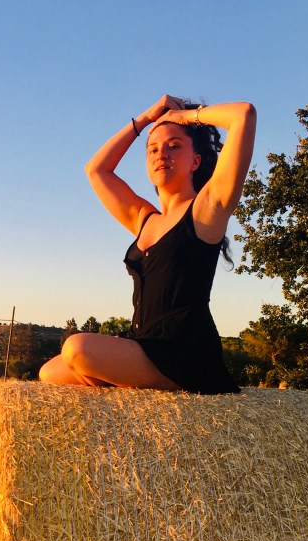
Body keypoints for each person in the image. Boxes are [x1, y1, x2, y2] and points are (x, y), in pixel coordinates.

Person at [39, 94, 257, 393]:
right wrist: (144, 119)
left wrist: (185, 117)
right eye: (152, 149)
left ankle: (124, 386)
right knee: (49, 372)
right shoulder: (145, 219)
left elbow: (243, 114)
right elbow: (96, 170)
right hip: (143, 343)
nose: (160, 154)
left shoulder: (207, 209)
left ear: (196, 160)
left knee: (77, 347)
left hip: (185, 352)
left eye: (174, 146)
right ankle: (126, 387)